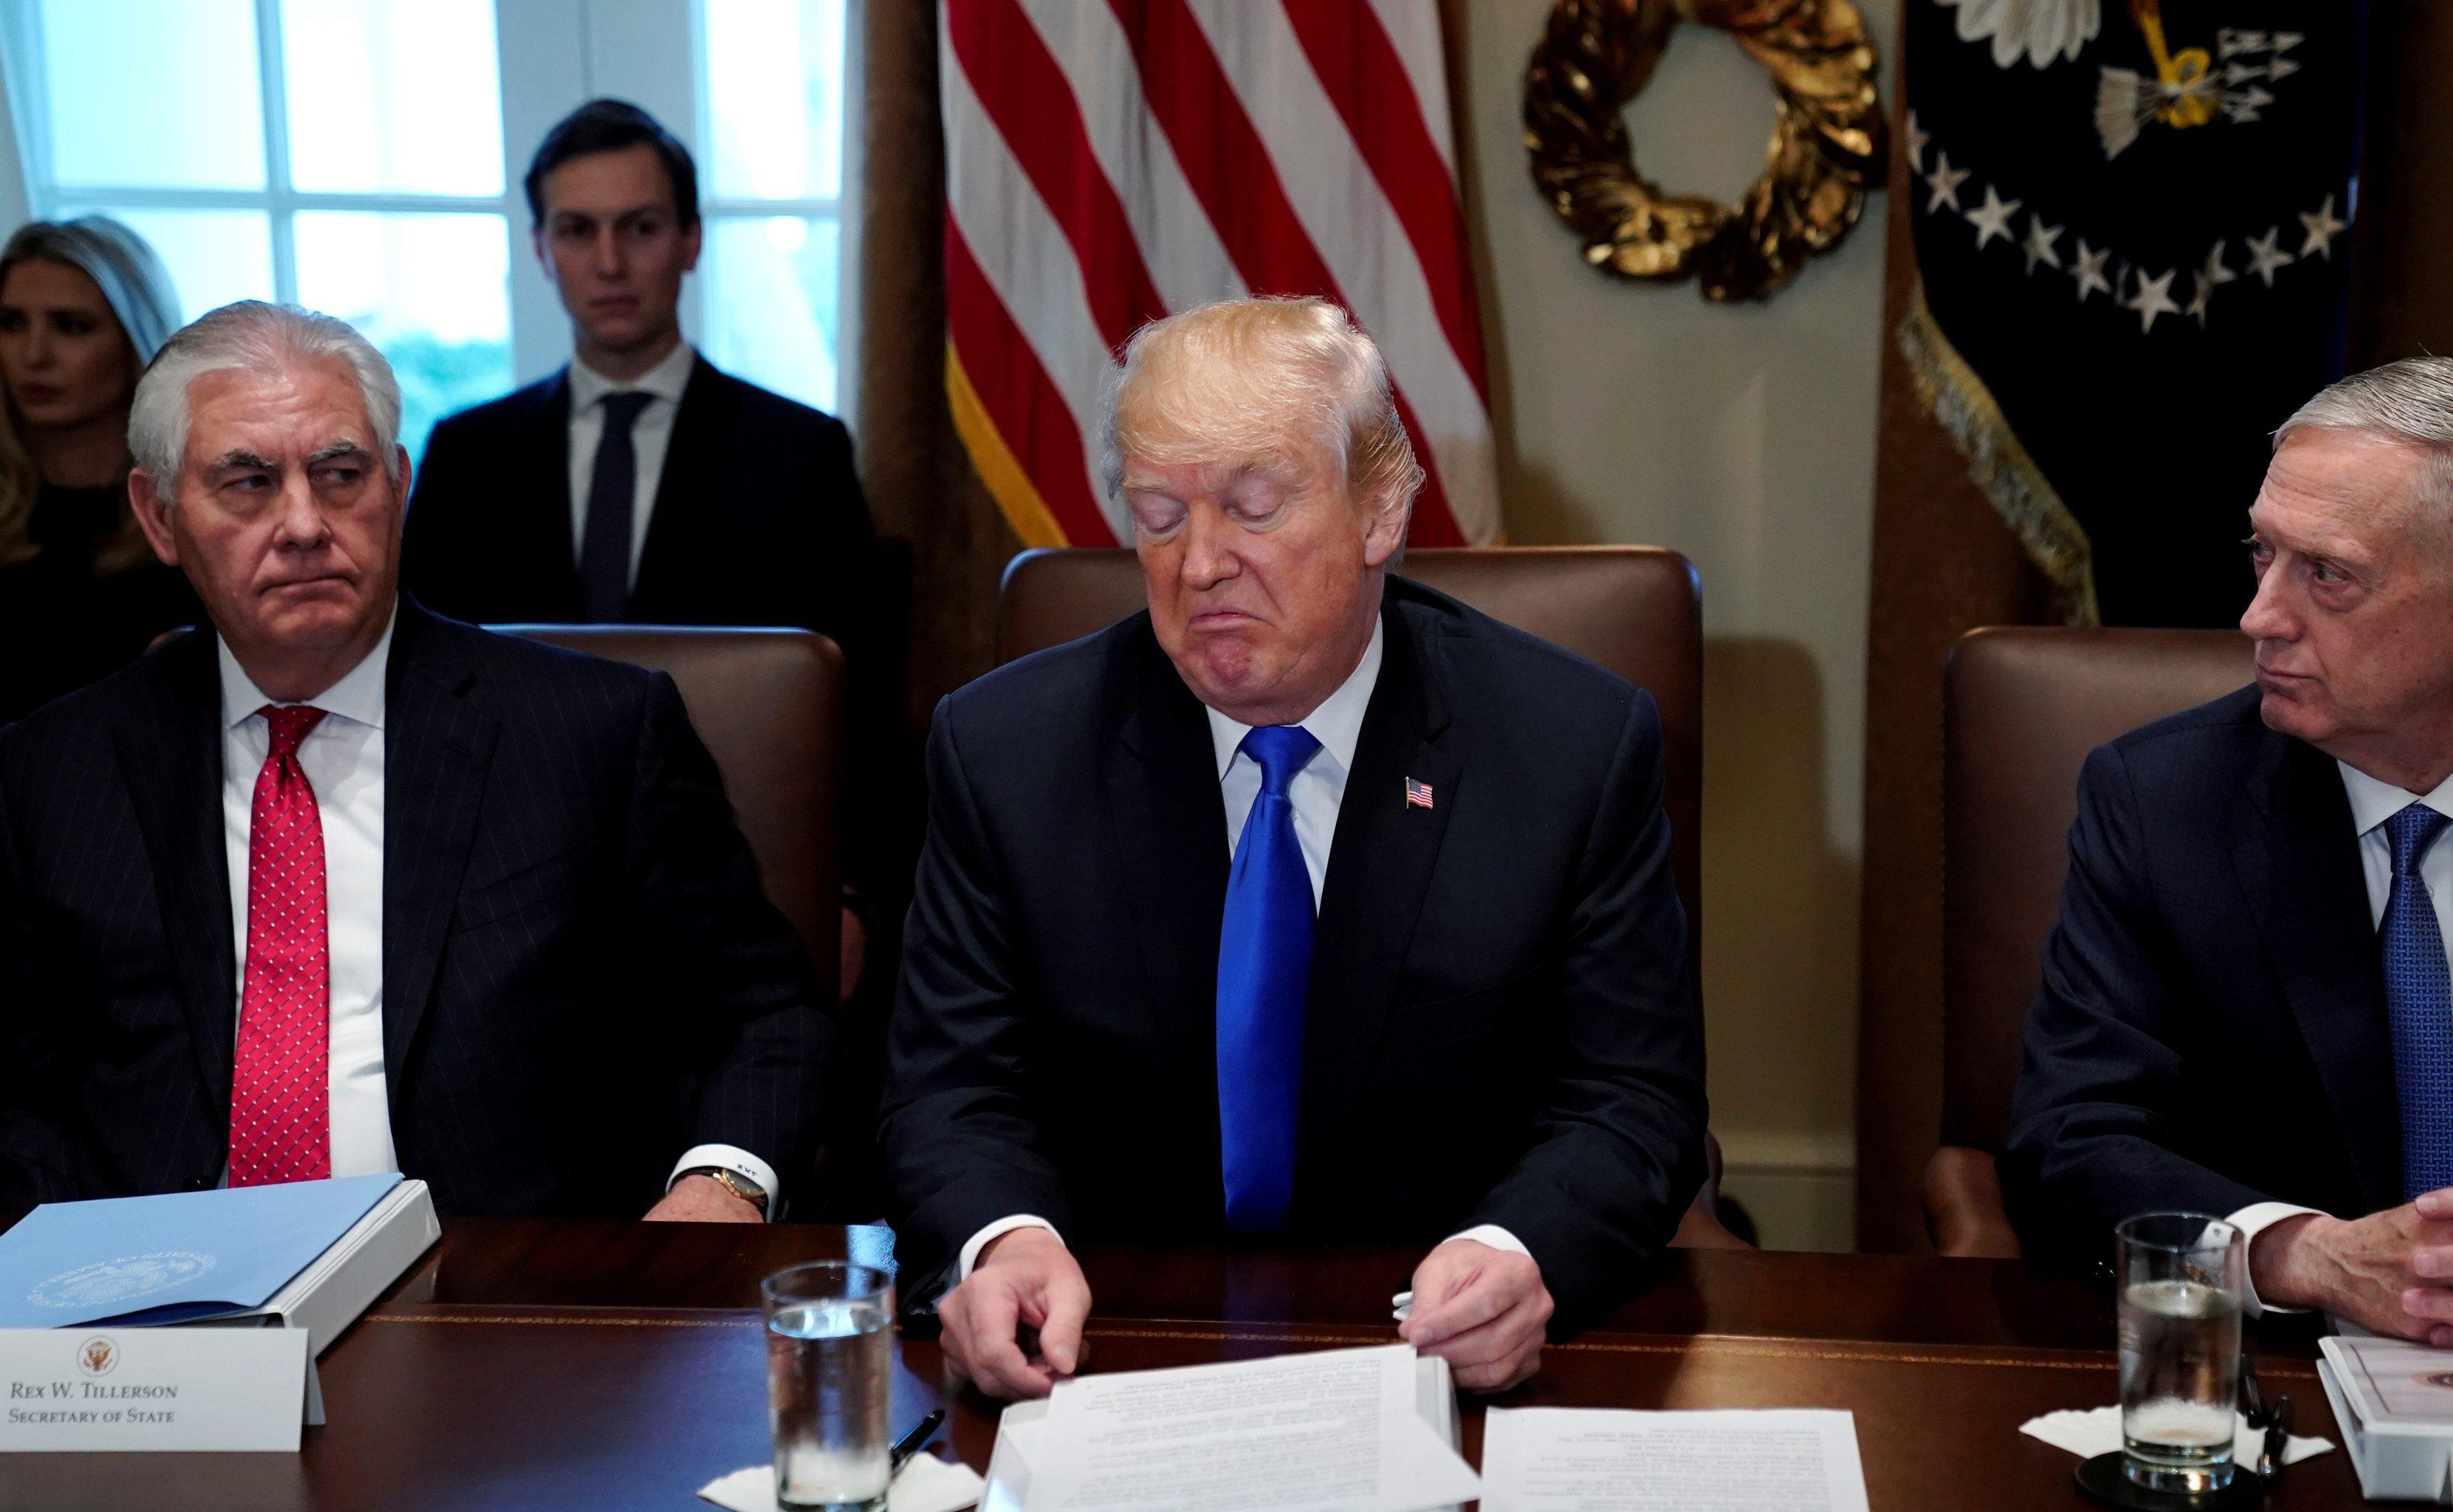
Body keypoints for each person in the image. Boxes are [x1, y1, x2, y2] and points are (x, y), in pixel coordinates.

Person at [881, 297, 1707, 1399]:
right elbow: (949, 1089)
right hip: (1109, 1349)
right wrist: (1003, 1237)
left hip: (1439, 1346)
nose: (1201, 563)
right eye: (1160, 515)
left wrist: (1520, 1251)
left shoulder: (1570, 747)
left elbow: (1632, 1094)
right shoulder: (1004, 751)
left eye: (1254, 507)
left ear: (1381, 509)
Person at [0, 301, 831, 1224]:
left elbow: (767, 1015)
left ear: (397, 486)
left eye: (340, 473)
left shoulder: (592, 733)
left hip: (506, 1301)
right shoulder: (52, 771)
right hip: (163, 1318)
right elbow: (18, 1090)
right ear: (159, 516)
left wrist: (721, 1184)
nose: (304, 522)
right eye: (248, 483)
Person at [401, 99, 902, 1012]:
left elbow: (858, 692)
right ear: (541, 249)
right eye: (577, 231)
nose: (609, 262)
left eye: (639, 227)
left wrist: (847, 890)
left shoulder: (798, 452)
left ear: (691, 240)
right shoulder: (469, 455)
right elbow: (416, 678)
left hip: (740, 867)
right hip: (500, 880)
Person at [2004, 357, 2453, 1347]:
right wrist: (2309, 1254)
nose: (2260, 617)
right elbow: (2072, 1145)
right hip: (2283, 1383)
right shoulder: (2167, 804)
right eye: (2264, 554)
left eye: (2327, 573)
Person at [0, 217, 199, 724]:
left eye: (71, 326)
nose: (34, 355)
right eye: (11, 324)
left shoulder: (195, 514)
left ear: (136, 339)